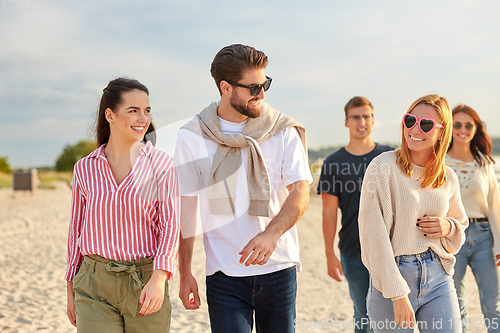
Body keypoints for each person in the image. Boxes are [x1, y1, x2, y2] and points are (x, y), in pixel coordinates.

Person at [173, 44, 312, 333]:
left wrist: (271, 235)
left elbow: (300, 191)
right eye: (253, 88)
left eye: (265, 84)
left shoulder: (282, 130)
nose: (262, 94)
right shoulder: (192, 136)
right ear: (226, 87)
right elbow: (187, 210)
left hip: (279, 269)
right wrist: (185, 272)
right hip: (223, 273)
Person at [65, 77, 180, 332]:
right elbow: (76, 231)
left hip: (145, 281)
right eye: (133, 111)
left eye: (146, 111)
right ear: (110, 115)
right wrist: (70, 287)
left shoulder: (161, 165)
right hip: (93, 283)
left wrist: (159, 278)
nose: (143, 119)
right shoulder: (84, 168)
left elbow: (170, 226)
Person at [358, 94, 468, 332]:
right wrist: (397, 293)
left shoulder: (448, 177)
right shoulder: (382, 167)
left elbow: (461, 224)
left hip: (438, 275)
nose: (415, 129)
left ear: (441, 132)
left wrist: (448, 227)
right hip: (392, 274)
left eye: (426, 125)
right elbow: (372, 237)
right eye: (410, 120)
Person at [317, 96, 391, 333]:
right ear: (347, 121)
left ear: (373, 120)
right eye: (356, 117)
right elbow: (328, 213)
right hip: (352, 249)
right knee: (363, 313)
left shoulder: (389, 157)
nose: (362, 122)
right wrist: (329, 254)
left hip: (391, 248)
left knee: (393, 312)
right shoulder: (333, 163)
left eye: (366, 116)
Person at [446, 104, 500, 333]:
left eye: (468, 124)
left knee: (492, 304)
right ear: (449, 127)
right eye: (457, 124)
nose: (462, 129)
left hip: (484, 237)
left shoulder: (484, 162)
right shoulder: (439, 162)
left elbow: (494, 206)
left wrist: (499, 243)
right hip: (451, 237)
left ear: (476, 128)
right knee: (455, 305)